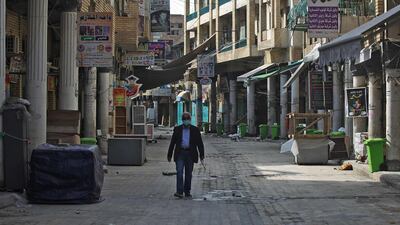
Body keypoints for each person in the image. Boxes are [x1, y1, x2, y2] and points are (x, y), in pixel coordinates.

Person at [167, 112, 204, 198]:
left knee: (188, 174)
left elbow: (199, 143)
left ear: (190, 120)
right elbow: (172, 142)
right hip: (180, 153)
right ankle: (179, 191)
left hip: (190, 154)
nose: (186, 120)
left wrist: (202, 155)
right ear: (182, 120)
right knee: (179, 172)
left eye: (188, 119)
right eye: (185, 119)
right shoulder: (177, 129)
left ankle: (187, 191)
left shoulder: (195, 130)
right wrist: (169, 154)